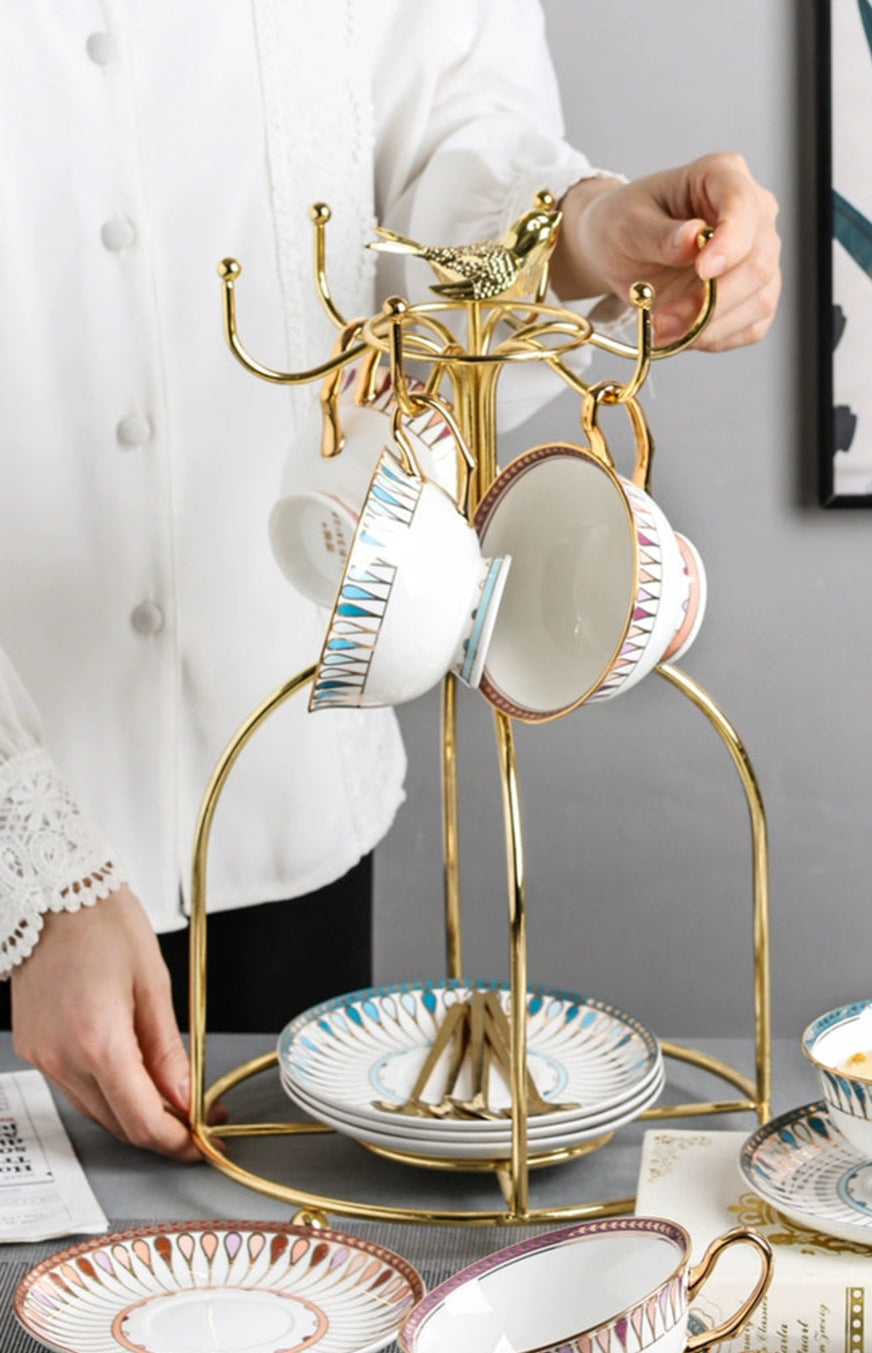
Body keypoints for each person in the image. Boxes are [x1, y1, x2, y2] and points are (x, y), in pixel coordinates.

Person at [0, 1, 780, 1161]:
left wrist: (586, 231)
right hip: (28, 801)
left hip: (279, 775)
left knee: (273, 1288)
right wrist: (35, 867)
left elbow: (448, 145)